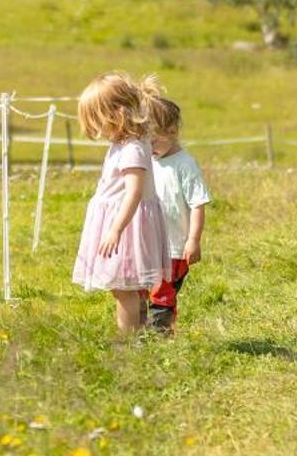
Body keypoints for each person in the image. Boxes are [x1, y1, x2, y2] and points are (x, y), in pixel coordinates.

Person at [71, 71, 170, 334]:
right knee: (124, 286)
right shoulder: (126, 143)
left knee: (123, 287)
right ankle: (139, 333)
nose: (97, 131)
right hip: (122, 221)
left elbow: (134, 192)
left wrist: (115, 229)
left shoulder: (132, 148)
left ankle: (128, 341)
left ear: (116, 115)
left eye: (97, 122)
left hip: (127, 226)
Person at [142, 81, 210, 332]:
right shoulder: (150, 161)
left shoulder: (184, 164)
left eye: (154, 142)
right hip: (148, 242)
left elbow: (198, 203)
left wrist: (193, 240)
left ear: (172, 131)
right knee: (141, 288)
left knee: (163, 293)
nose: (150, 148)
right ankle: (139, 332)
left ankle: (158, 336)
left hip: (173, 247)